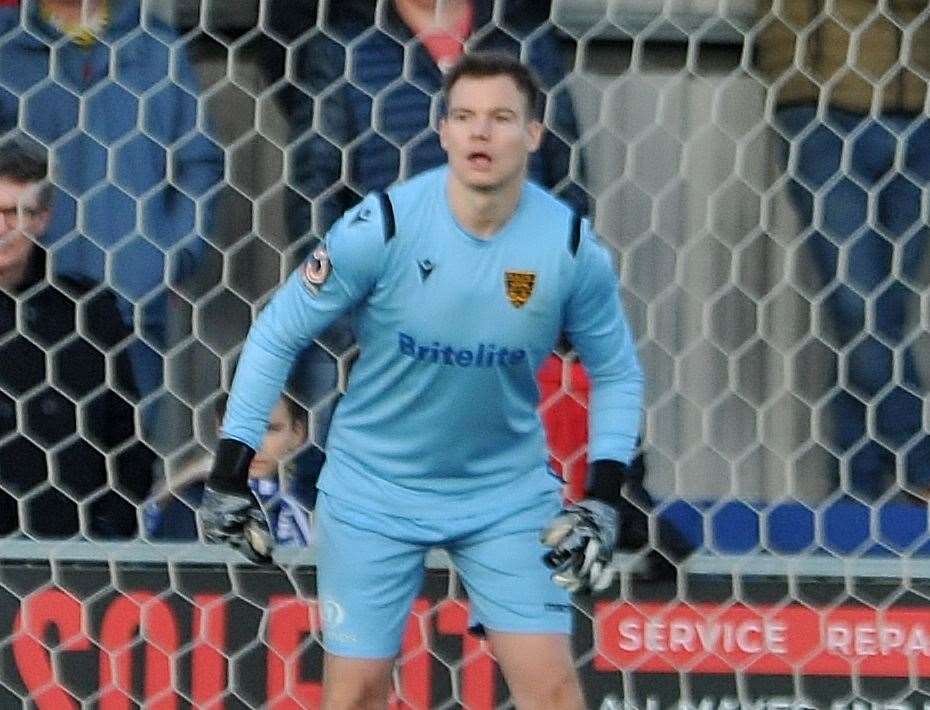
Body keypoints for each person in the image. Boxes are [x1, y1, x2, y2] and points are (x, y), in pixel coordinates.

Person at [201, 52, 643, 708]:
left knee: (554, 690)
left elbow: (616, 371)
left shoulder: (570, 246)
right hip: (375, 488)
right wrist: (229, 472)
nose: (480, 132)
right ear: (442, 132)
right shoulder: (382, 225)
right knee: (355, 694)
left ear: (534, 134)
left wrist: (604, 495)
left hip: (504, 492)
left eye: (500, 117)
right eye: (463, 116)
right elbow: (277, 331)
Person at [0, 0, 224, 399]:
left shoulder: (155, 47)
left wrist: (167, 254)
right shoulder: (8, 46)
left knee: (128, 446)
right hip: (26, 305)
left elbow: (198, 162)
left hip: (133, 301)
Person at [756, 1, 930, 498]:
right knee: (860, 306)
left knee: (877, 316)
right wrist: (790, 82)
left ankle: (857, 494)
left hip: (917, 116)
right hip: (823, 113)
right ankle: (918, 465)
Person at [0, 135, 154, 538]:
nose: (3, 228)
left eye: (16, 213)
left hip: (68, 561)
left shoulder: (87, 314)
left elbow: (128, 442)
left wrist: (103, 541)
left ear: (42, 219)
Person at [146, 392, 313, 545]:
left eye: (270, 429)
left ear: (298, 433)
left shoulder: (313, 502)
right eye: (243, 429)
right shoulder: (193, 505)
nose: (256, 445)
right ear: (221, 428)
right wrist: (184, 478)